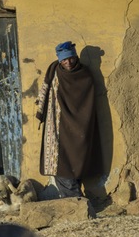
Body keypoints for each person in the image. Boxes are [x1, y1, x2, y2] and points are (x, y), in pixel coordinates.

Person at [35, 41, 101, 198]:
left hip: (79, 126)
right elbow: (46, 90)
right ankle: (73, 200)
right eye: (64, 60)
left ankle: (74, 201)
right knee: (60, 163)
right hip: (57, 123)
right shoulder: (54, 72)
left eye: (71, 58)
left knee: (77, 159)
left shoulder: (84, 76)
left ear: (76, 57)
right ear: (59, 60)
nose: (68, 63)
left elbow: (87, 103)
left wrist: (79, 122)